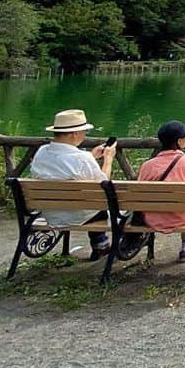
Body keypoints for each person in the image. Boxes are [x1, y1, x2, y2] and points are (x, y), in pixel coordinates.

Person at [30, 109, 116, 260]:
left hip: (51, 213)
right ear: (75, 134)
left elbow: (65, 164)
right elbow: (103, 186)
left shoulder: (41, 152)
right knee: (97, 204)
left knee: (90, 203)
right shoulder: (81, 159)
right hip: (78, 215)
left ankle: (101, 244)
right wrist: (108, 160)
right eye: (84, 131)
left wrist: (91, 156)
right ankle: (100, 244)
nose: (85, 135)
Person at [137, 119, 185, 263]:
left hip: (153, 218)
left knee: (184, 204)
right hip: (183, 217)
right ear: (179, 141)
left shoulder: (147, 165)